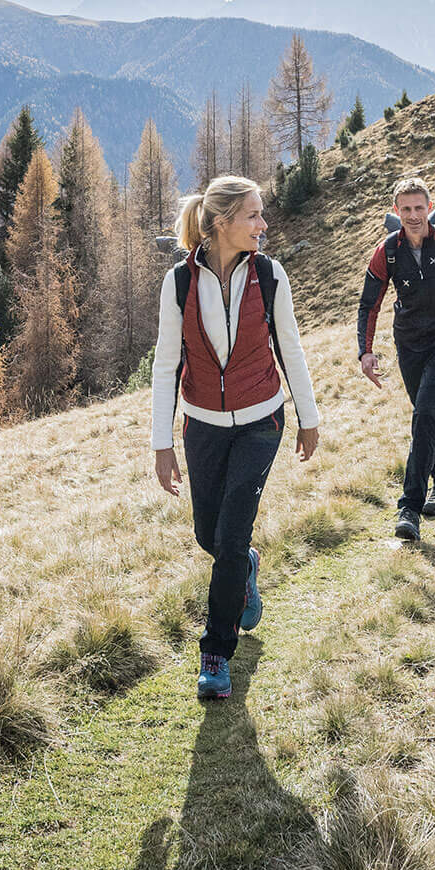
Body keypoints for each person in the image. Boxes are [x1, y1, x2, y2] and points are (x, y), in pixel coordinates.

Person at [152, 176, 320, 701]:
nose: (262, 225)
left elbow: (290, 348)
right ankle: (245, 566)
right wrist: (162, 444)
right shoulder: (179, 284)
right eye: (252, 215)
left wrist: (308, 419)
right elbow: (164, 365)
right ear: (222, 222)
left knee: (227, 538)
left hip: (260, 422)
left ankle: (216, 652)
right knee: (211, 535)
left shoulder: (269, 276)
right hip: (202, 424)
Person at [355, 176, 435, 541]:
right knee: (427, 416)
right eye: (406, 209)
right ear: (396, 212)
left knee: (424, 412)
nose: (413, 215)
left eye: (419, 207)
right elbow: (370, 303)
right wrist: (365, 351)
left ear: (429, 208)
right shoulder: (387, 251)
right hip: (409, 344)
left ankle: (409, 506)